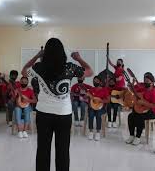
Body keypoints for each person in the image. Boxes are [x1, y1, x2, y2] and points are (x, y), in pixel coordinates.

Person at [22, 38, 93, 171]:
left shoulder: (39, 67)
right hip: (64, 115)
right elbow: (89, 71)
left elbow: (24, 71)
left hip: (43, 114)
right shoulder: (70, 67)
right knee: (63, 151)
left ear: (46, 53)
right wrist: (78, 58)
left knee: (43, 150)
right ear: (62, 52)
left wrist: (37, 56)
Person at [126, 72, 155, 145]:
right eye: (145, 81)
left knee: (139, 117)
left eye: (147, 81)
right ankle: (131, 135)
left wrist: (144, 103)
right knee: (130, 116)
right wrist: (130, 86)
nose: (145, 83)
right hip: (143, 109)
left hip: (153, 112)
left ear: (153, 82)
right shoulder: (143, 86)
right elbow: (134, 90)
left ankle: (138, 137)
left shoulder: (154, 92)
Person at [87, 76, 110, 141]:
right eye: (94, 81)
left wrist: (101, 101)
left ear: (100, 82)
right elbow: (88, 99)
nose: (95, 82)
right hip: (92, 107)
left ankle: (98, 132)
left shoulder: (104, 90)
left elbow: (108, 100)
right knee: (91, 114)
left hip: (101, 108)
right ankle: (91, 131)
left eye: (96, 81)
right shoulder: (91, 89)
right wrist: (87, 96)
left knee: (98, 114)